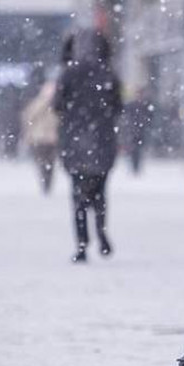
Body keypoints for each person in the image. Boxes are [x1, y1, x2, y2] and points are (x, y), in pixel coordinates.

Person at [53, 29, 123, 263]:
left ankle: (82, 245)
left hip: (75, 142)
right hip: (102, 141)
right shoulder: (109, 73)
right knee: (100, 193)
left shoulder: (67, 74)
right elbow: (118, 107)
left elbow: (57, 106)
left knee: (78, 197)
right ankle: (101, 231)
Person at [22, 69, 60, 194]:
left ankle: (47, 183)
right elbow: (29, 117)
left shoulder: (55, 106)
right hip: (41, 138)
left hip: (50, 138)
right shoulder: (39, 104)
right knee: (43, 162)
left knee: (48, 162)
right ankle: (45, 183)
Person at [121, 88, 153, 175]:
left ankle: (136, 167)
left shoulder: (144, 105)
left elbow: (148, 118)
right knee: (133, 149)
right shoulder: (133, 105)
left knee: (137, 150)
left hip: (140, 131)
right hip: (133, 130)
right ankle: (134, 167)